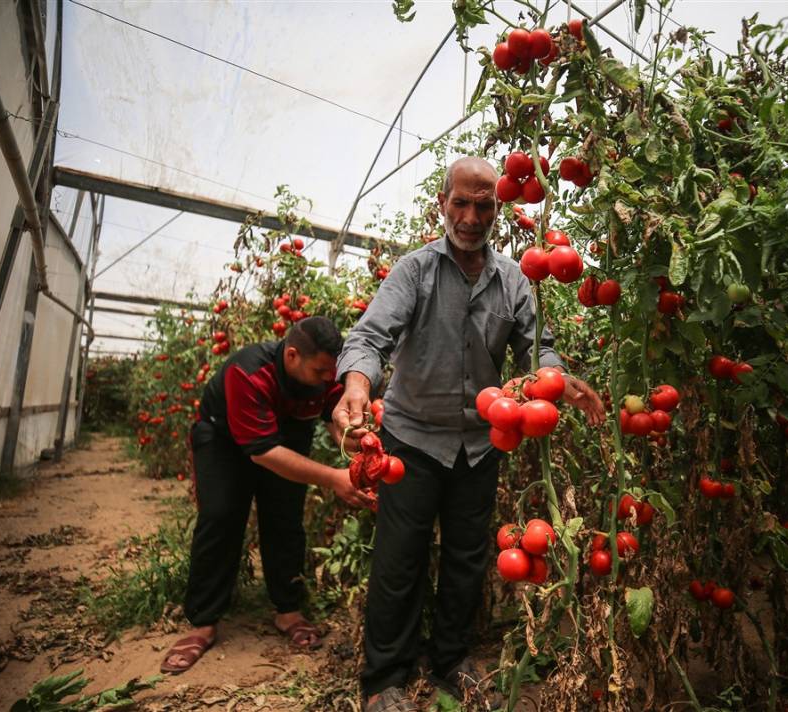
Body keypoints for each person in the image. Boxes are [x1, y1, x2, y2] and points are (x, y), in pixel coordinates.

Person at [332, 156, 606, 711]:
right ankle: (384, 679)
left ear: (497, 209)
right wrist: (356, 384)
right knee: (399, 559)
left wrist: (557, 378)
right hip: (412, 439)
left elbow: (537, 347)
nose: (471, 217)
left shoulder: (514, 280)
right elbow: (370, 336)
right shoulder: (415, 272)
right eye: (461, 203)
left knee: (466, 559)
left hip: (480, 444)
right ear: (443, 204)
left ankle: (450, 661)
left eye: (484, 206)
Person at [160, 316, 375, 674]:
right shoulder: (247, 372)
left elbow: (334, 421)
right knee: (221, 517)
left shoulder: (324, 375)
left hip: (287, 433)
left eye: (332, 371)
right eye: (321, 371)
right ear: (292, 355)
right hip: (225, 442)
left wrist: (357, 445)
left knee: (286, 518)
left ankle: (288, 610)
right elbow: (263, 452)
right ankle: (202, 622)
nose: (329, 378)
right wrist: (335, 478)